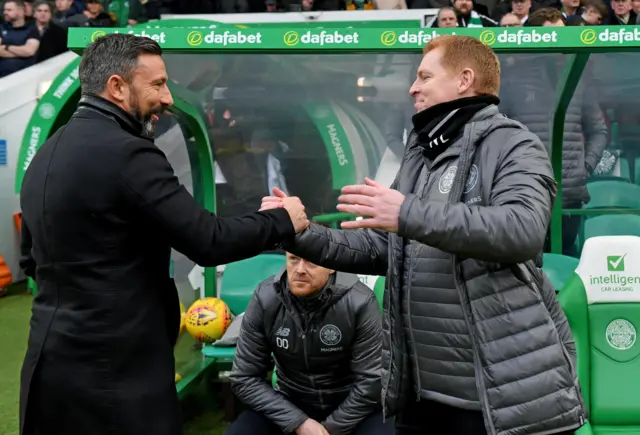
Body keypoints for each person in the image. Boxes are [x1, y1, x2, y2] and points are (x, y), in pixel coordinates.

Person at [262, 35, 585, 435]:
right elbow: (384, 248)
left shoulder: (513, 143)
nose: (413, 88)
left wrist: (407, 211)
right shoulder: (420, 156)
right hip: (422, 399)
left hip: (500, 401)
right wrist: (298, 233)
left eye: (424, 76)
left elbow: (524, 229)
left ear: (465, 79)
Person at [18, 33, 309, 435]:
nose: (168, 97)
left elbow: (30, 259)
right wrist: (284, 220)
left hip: (48, 370)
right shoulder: (129, 153)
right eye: (157, 84)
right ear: (117, 87)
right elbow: (208, 240)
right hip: (117, 376)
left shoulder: (45, 155)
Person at [227, 252, 392, 435]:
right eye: (294, 259)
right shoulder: (265, 298)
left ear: (331, 265)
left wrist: (328, 429)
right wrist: (298, 422)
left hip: (352, 406)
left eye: (311, 261)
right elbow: (244, 377)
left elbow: (372, 381)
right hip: (290, 404)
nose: (300, 270)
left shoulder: (359, 301)